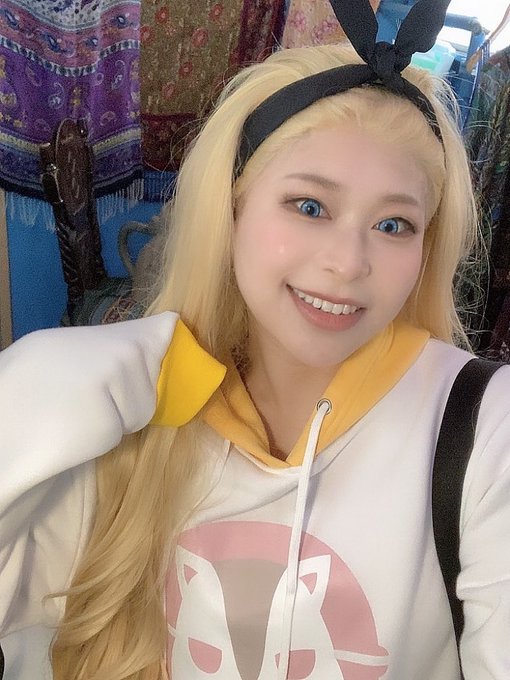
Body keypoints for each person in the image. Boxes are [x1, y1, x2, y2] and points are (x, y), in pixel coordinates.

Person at [1, 1, 509, 678]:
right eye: (310, 207)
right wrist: (19, 414)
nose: (348, 263)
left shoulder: (486, 429)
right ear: (233, 206)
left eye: (394, 225)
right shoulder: (122, 419)